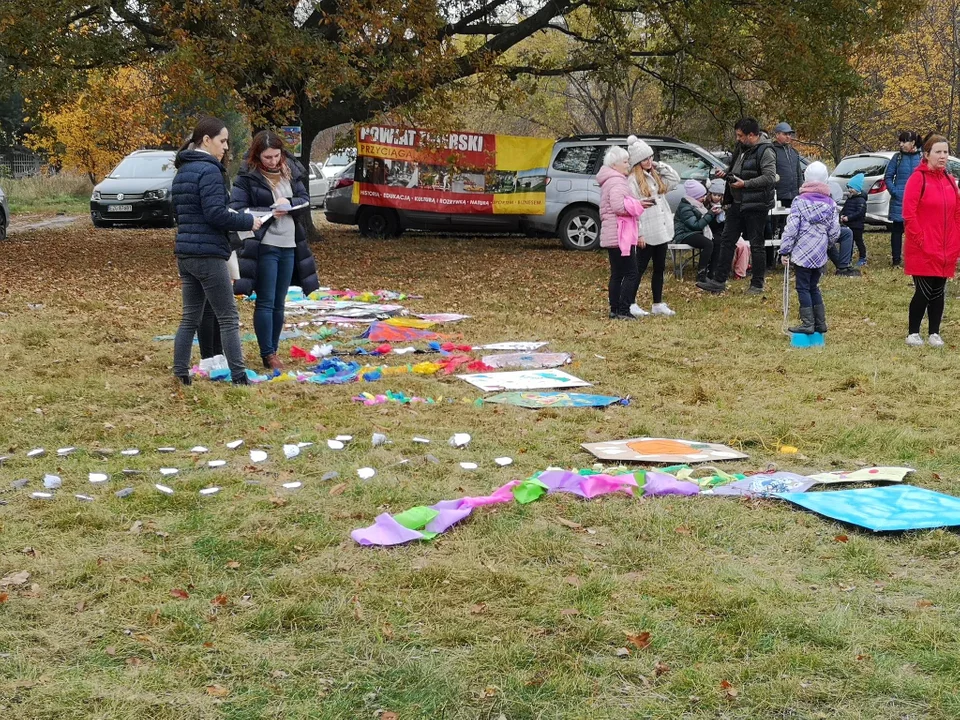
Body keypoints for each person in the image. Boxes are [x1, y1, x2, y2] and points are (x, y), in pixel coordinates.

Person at [171, 117, 262, 386]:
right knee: (228, 317)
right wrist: (248, 221)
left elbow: (184, 212)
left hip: (185, 254)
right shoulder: (209, 170)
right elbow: (215, 214)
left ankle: (180, 374)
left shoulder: (183, 170)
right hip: (208, 255)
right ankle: (239, 376)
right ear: (206, 140)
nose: (225, 147)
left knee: (190, 318)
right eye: (222, 141)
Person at [230, 130, 319, 370]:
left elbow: (304, 198)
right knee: (266, 300)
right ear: (258, 156)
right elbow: (238, 209)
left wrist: (289, 204)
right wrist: (270, 211)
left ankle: (274, 348)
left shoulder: (291, 169)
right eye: (267, 157)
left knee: (280, 301)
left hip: (289, 244)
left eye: (276, 156)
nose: (273, 161)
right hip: (265, 244)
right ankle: (267, 354)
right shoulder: (247, 176)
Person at [697, 117, 778, 294]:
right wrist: (725, 174)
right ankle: (719, 281)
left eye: (741, 136)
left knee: (756, 244)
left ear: (752, 135)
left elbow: (770, 177)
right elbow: (735, 170)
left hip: (756, 204)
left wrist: (745, 184)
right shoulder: (741, 148)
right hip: (736, 202)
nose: (738, 139)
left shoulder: (766, 151)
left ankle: (757, 284)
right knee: (727, 241)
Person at [902, 134, 960, 347]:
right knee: (924, 291)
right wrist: (922, 241)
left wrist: (956, 239)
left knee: (938, 290)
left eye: (945, 152)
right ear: (926, 154)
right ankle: (913, 333)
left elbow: (957, 212)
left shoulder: (948, 180)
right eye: (938, 152)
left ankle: (934, 333)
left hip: (946, 247)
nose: (943, 156)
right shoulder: (918, 179)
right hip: (923, 247)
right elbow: (909, 214)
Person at [779, 162, 840, 334]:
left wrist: (785, 250)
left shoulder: (799, 201)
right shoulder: (831, 204)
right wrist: (825, 244)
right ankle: (820, 322)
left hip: (802, 252)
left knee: (802, 287)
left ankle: (807, 323)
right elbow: (835, 231)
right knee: (814, 286)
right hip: (819, 253)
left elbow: (791, 228)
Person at [626, 135, 681, 316]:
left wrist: (659, 165)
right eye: (645, 159)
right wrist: (639, 234)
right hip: (647, 231)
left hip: (661, 228)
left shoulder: (654, 175)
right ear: (637, 161)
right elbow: (634, 209)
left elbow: (675, 179)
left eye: (650, 157)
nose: (649, 161)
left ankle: (657, 302)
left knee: (659, 267)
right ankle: (630, 302)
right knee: (639, 268)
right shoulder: (633, 180)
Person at [597, 145, 650, 320]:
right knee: (631, 273)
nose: (628, 165)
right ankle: (623, 309)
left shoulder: (609, 181)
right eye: (625, 162)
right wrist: (639, 205)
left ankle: (615, 309)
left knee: (617, 273)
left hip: (613, 234)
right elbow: (619, 207)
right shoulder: (617, 182)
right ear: (614, 165)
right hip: (621, 235)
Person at [884, 131, 922, 267]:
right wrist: (895, 192)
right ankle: (896, 260)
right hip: (900, 199)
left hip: (918, 201)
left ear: (912, 143)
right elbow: (888, 177)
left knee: (916, 231)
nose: (900, 144)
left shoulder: (923, 157)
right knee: (897, 230)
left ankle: (915, 258)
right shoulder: (897, 158)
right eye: (900, 142)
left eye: (903, 141)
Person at [673, 179, 716, 282]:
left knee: (717, 242)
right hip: (684, 234)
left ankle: (712, 272)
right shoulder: (685, 208)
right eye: (701, 196)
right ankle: (701, 274)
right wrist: (710, 214)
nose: (704, 198)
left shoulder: (697, 205)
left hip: (693, 233)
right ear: (695, 196)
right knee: (708, 244)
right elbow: (695, 225)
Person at [770, 121, 803, 245]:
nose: (789, 137)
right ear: (777, 135)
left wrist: (800, 190)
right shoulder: (771, 150)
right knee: (774, 225)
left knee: (790, 224)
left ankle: (786, 251)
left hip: (793, 195)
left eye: (790, 134)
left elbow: (799, 173)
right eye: (785, 134)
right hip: (777, 195)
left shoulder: (794, 152)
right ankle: (772, 254)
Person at [840, 173, 868, 266]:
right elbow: (844, 209)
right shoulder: (849, 199)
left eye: (851, 188)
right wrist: (842, 215)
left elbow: (859, 213)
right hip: (848, 226)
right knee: (849, 243)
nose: (849, 190)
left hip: (857, 226)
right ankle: (848, 258)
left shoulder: (861, 201)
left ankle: (863, 257)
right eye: (848, 188)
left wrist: (849, 217)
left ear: (857, 189)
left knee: (859, 241)